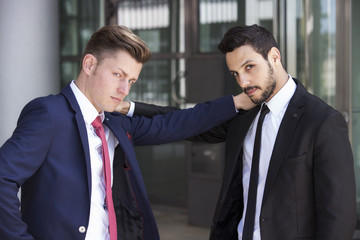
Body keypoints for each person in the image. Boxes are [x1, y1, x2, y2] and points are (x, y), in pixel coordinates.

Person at [0, 25, 254, 240]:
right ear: (89, 64)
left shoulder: (115, 122)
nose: (124, 89)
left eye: (131, 81)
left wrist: (235, 103)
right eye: (117, 75)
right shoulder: (50, 113)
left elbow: (175, 123)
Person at [125, 24, 357, 240]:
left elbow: (339, 216)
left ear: (274, 57)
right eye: (235, 73)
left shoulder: (322, 121)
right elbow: (186, 122)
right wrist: (128, 108)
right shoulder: (244, 113)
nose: (243, 81)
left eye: (249, 67)